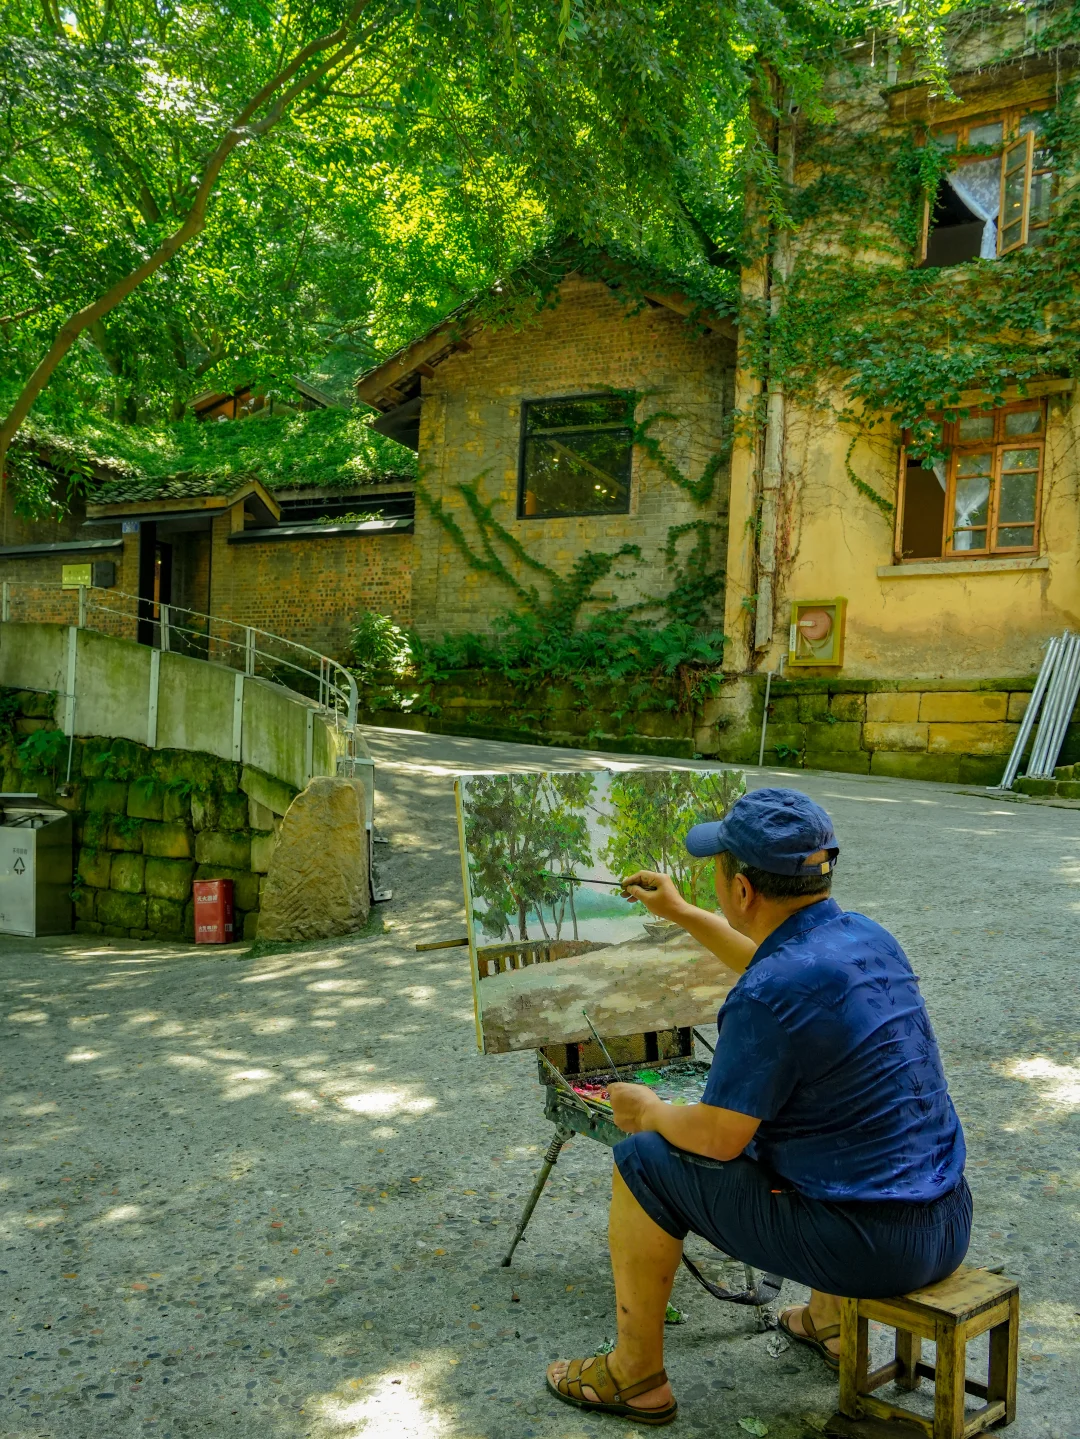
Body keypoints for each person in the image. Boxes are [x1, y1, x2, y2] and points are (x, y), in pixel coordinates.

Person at [546, 787, 970, 1427]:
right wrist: (685, 913)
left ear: (743, 890)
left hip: (867, 1246)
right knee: (833, 1126)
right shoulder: (864, 939)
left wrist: (651, 1111)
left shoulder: (770, 994)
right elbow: (772, 970)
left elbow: (719, 1138)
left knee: (641, 1160)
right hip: (945, 1221)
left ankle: (633, 1374)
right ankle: (827, 1320)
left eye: (718, 867)